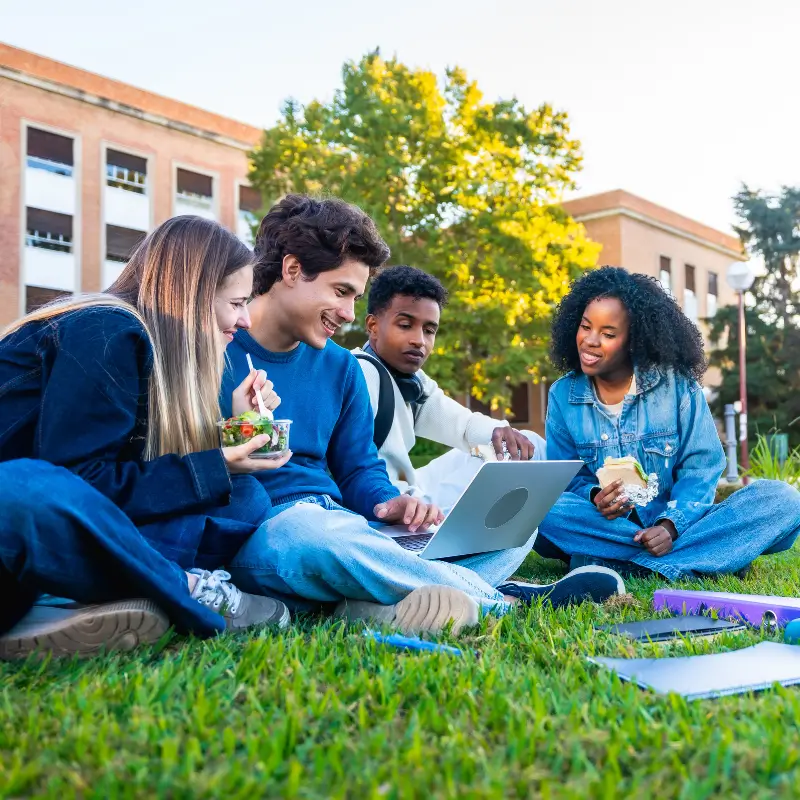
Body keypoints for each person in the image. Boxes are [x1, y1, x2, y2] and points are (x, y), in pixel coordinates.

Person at [222, 195, 625, 635]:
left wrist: (388, 503)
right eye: (341, 292)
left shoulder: (339, 368)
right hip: (276, 533)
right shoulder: (214, 350)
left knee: (513, 528)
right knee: (310, 533)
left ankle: (368, 601)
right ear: (293, 270)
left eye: (355, 297)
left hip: (352, 529)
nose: (349, 314)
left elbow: (359, 469)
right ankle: (501, 601)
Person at [0, 216, 291, 658]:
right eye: (236, 302)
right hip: (15, 516)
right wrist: (215, 463)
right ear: (192, 296)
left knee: (244, 496)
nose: (246, 319)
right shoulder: (104, 329)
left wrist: (234, 432)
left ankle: (80, 591)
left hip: (40, 538)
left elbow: (121, 477)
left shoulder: (140, 343)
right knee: (23, 489)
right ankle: (183, 587)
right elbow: (80, 482)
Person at [536, 266, 800, 579]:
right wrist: (595, 496)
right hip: (607, 526)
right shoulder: (563, 395)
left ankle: (625, 565)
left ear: (635, 340)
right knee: (542, 513)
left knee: (783, 500)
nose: (590, 341)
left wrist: (670, 525)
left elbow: (701, 469)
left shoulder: (677, 387)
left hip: (679, 523)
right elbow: (569, 477)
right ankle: (706, 557)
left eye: (608, 334)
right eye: (585, 327)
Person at [351, 265, 547, 514]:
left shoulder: (413, 380)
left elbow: (464, 427)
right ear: (373, 326)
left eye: (429, 330)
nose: (419, 340)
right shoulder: (360, 374)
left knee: (526, 442)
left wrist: (500, 432)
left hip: (412, 487)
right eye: (405, 325)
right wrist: (411, 501)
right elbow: (357, 469)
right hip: (385, 501)